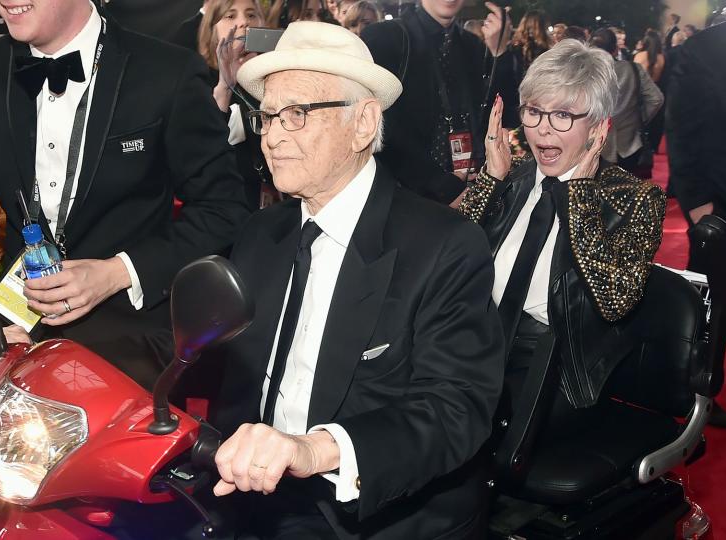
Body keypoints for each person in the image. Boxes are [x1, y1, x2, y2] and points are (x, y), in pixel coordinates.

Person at [212, 21, 505, 539]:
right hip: (243, 494)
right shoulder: (261, 233)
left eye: (296, 115)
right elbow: (220, 362)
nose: (272, 136)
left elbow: (454, 409)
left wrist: (312, 450)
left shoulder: (445, 246)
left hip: (372, 509)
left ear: (363, 123)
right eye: (267, 117)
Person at [0, 0, 250, 404]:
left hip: (133, 341)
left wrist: (117, 272)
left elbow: (224, 209)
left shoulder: (167, 72)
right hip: (16, 327)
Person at [459, 39, 665, 412]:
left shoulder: (636, 199)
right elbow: (447, 260)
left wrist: (581, 196)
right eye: (534, 111)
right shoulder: (513, 177)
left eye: (564, 115)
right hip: (479, 348)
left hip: (558, 371)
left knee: (460, 423)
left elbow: (615, 300)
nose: (543, 130)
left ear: (599, 127)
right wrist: (490, 180)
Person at [667, 0, 726, 423]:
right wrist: (700, 208)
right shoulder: (704, 50)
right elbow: (683, 132)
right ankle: (691, 397)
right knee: (715, 316)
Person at [361, 0, 513, 206]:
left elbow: (499, 116)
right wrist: (441, 185)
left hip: (466, 189)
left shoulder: (472, 45)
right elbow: (380, 125)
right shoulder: (385, 37)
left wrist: (499, 53)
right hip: (405, 199)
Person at [198, 0, 277, 210]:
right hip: (226, 210)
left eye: (251, 15)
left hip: (274, 208)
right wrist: (225, 86)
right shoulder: (197, 80)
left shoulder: (275, 78)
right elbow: (203, 149)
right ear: (212, 27)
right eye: (230, 16)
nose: (243, 22)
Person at [591, 28, 664, 179]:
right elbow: (656, 98)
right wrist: (640, 118)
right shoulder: (632, 69)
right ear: (615, 49)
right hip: (630, 142)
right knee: (626, 192)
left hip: (594, 144)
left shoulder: (586, 72)